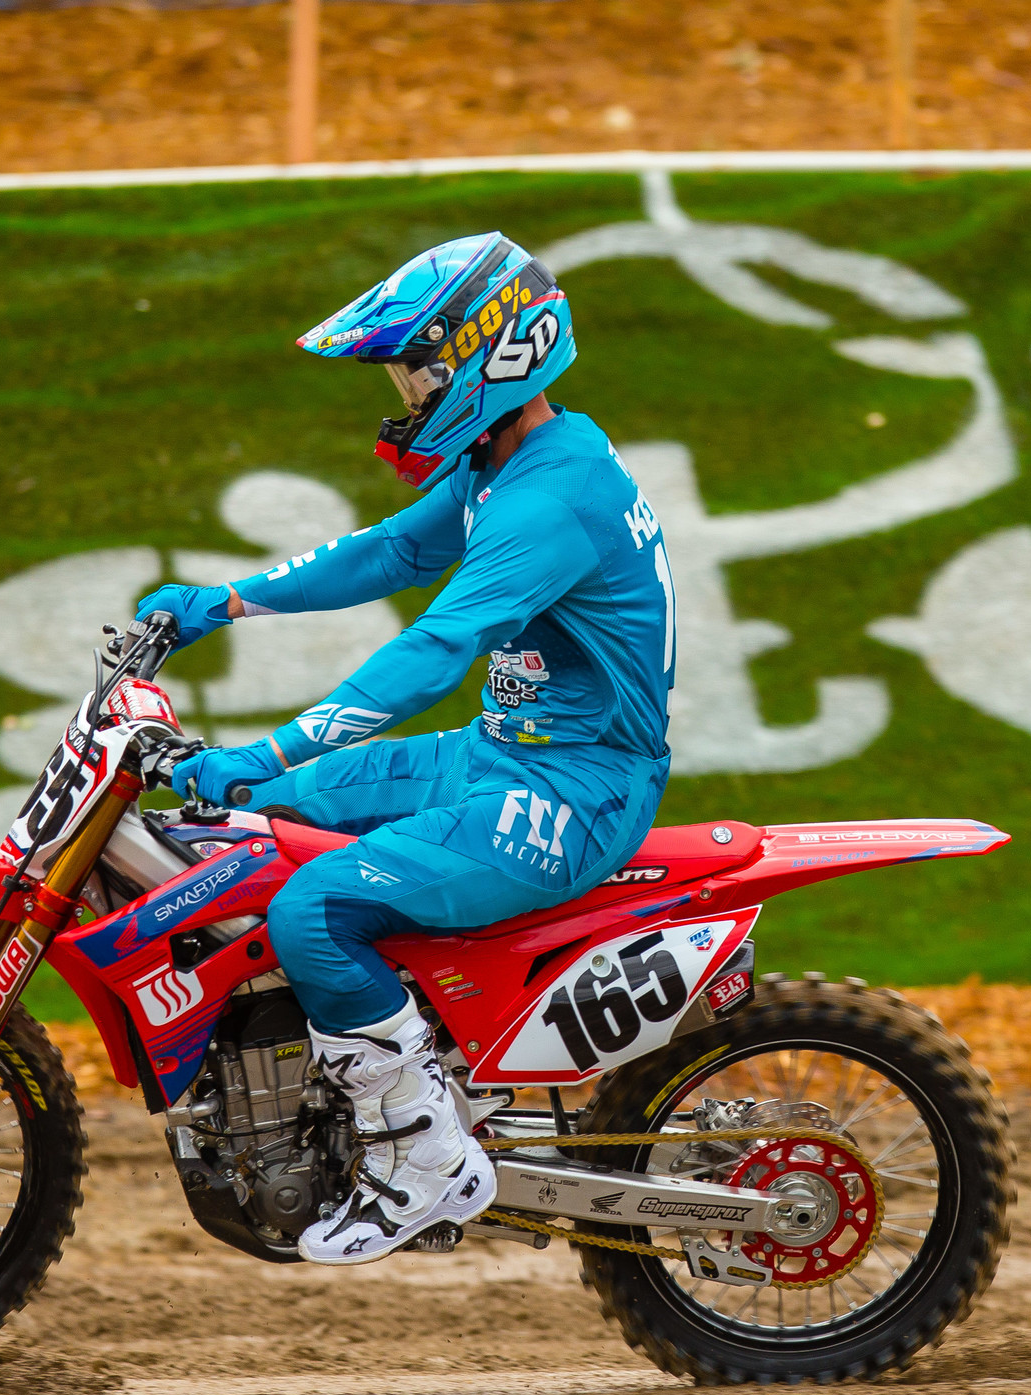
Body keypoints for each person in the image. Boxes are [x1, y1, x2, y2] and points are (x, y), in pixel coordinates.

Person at [134, 234, 675, 1265]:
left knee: (316, 907)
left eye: (418, 371)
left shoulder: (547, 498)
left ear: (492, 357)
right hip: (506, 754)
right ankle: (358, 1080)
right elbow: (389, 551)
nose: (406, 395)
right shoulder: (515, 459)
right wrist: (228, 601)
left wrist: (273, 742)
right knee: (259, 819)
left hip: (575, 795)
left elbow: (434, 648)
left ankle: (425, 1156)